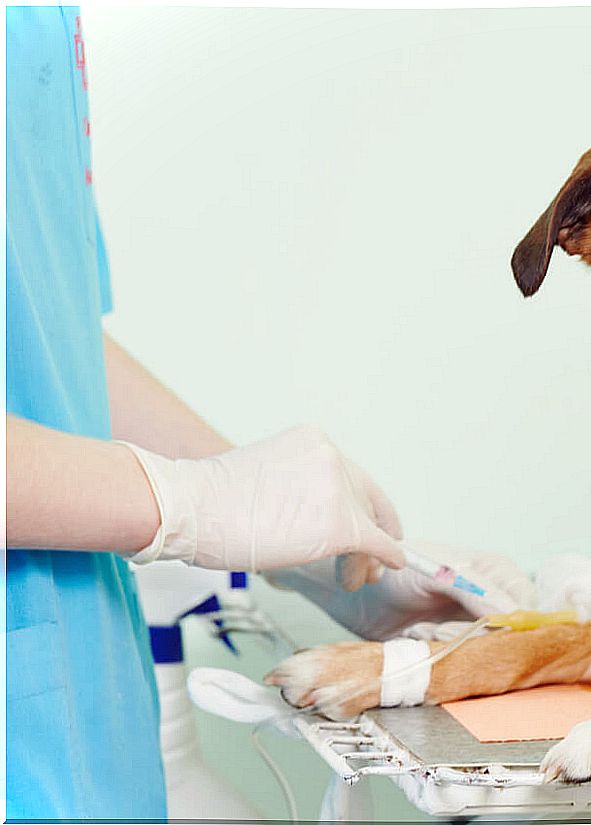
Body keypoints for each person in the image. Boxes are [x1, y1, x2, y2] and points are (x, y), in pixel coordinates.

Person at [6, 8, 500, 819]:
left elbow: (43, 334)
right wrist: (192, 503)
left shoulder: (41, 21)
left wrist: (300, 548)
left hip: (84, 745)